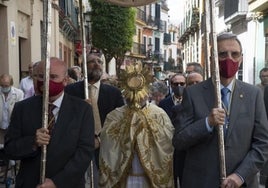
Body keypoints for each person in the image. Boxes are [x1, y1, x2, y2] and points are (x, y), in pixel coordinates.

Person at [172, 32, 268, 188]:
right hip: (201, 182)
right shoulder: (193, 93)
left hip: (241, 183)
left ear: (241, 59)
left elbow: (263, 144)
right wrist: (207, 123)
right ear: (212, 60)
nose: (229, 59)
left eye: (235, 54)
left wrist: (240, 175)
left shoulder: (253, 94)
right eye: (222, 54)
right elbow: (179, 140)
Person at [4, 57, 95, 188]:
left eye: (52, 77)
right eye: (41, 76)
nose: (46, 82)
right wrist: (33, 142)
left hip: (68, 184)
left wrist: (56, 182)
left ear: (65, 80)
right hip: (30, 183)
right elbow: (9, 149)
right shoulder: (22, 108)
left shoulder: (82, 110)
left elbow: (84, 153)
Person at [99, 61, 174, 187]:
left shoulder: (159, 115)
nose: (136, 97)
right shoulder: (114, 116)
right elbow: (107, 146)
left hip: (150, 180)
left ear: (147, 91)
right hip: (124, 178)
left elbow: (166, 144)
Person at [65, 54, 124, 187]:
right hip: (77, 148)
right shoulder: (70, 91)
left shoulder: (114, 93)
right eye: (92, 62)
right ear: (83, 67)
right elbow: (65, 118)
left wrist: (100, 139)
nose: (97, 64)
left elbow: (120, 121)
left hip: (105, 148)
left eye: (99, 62)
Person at [0, 74, 24, 144]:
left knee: (11, 145)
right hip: (1, 126)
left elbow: (20, 111)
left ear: (11, 84)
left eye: (6, 86)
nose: (4, 87)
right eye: (2, 85)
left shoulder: (19, 93)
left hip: (12, 126)